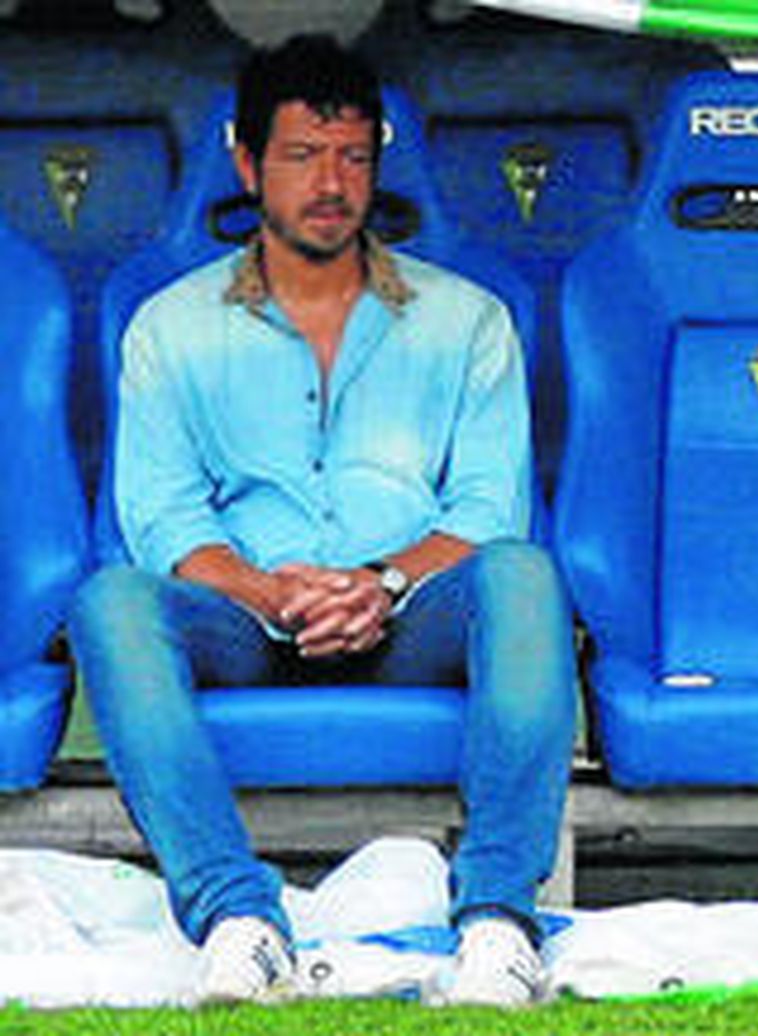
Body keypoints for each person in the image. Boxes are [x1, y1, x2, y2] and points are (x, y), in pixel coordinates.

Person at [67, 34, 575, 1007]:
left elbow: (486, 509)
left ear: (379, 162)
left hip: (416, 612)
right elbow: (163, 514)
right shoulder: (171, 326)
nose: (330, 183)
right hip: (246, 618)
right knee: (112, 597)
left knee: (523, 571)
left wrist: (378, 582)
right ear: (248, 162)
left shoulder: (466, 318)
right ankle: (238, 918)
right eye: (302, 156)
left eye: (351, 156)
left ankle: (499, 925)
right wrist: (274, 590)